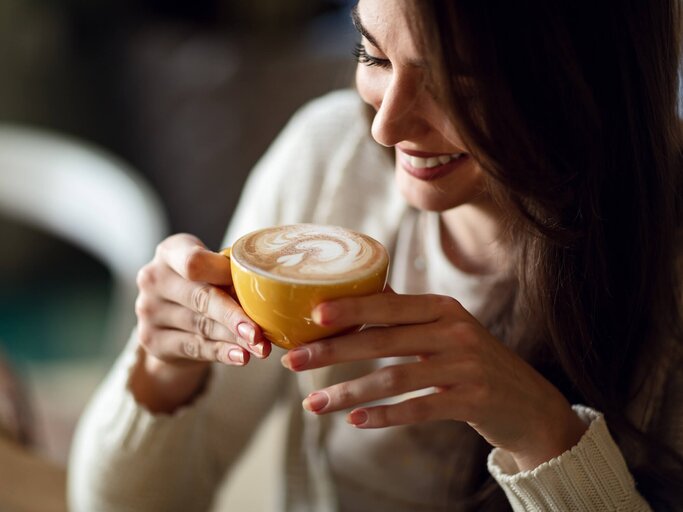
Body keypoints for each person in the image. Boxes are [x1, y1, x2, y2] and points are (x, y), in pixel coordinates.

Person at [68, 1, 683, 510]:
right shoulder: (328, 161)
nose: (385, 128)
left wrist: (543, 433)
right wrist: (164, 368)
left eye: (455, 79)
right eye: (373, 55)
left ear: (586, 73)